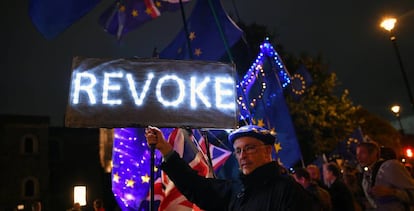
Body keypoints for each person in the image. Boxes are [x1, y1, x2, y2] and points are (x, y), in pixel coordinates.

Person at [145, 125, 313, 210]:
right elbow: (195, 186)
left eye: (250, 148)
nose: (243, 156)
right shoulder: (235, 190)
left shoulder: (288, 190)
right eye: (238, 151)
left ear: (268, 150)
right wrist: (165, 149)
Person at [356, 141, 414, 211]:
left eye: (362, 153)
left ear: (374, 153)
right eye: (357, 154)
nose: (358, 157)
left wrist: (391, 192)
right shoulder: (366, 175)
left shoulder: (390, 166)